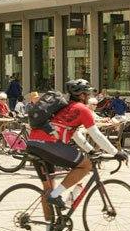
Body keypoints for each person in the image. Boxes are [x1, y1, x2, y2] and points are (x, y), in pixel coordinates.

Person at [24, 79, 119, 217]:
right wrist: (116, 153)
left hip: (33, 143)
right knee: (85, 165)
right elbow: (96, 134)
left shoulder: (64, 108)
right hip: (49, 144)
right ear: (81, 95)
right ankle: (56, 195)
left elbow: (74, 134)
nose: (89, 96)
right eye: (88, 93)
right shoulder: (82, 109)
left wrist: (90, 150)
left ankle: (49, 228)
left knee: (48, 188)